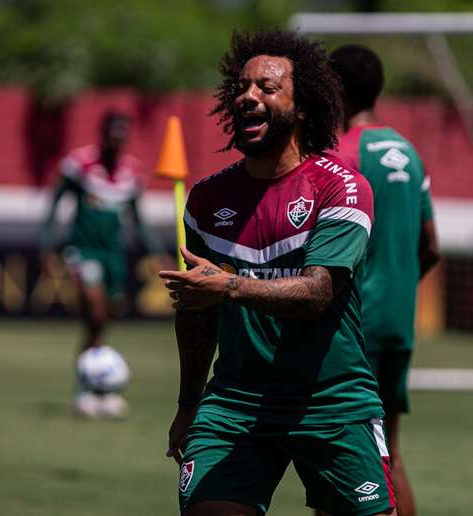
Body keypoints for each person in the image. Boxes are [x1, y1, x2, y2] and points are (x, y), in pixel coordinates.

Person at [159, 30, 397, 516]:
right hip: (235, 405)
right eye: (241, 88)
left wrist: (228, 286)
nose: (248, 96)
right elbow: (197, 315)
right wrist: (188, 402)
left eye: (267, 88)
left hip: (331, 402)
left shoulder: (342, 189)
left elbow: (317, 293)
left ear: (303, 105)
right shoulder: (206, 200)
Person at [330, 45, 441, 516]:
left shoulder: (342, 152)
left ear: (334, 90)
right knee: (388, 452)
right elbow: (431, 246)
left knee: (335, 457)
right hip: (398, 322)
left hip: (355, 326)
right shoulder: (409, 152)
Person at [39, 111, 168, 418]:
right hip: (84, 251)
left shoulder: (131, 173)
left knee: (99, 323)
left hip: (114, 255)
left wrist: (158, 252)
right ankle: (91, 389)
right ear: (103, 135)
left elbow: (138, 219)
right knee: (95, 313)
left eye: (122, 134)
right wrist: (46, 248)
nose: (117, 139)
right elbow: (55, 205)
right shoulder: (79, 165)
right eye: (113, 133)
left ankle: (94, 387)